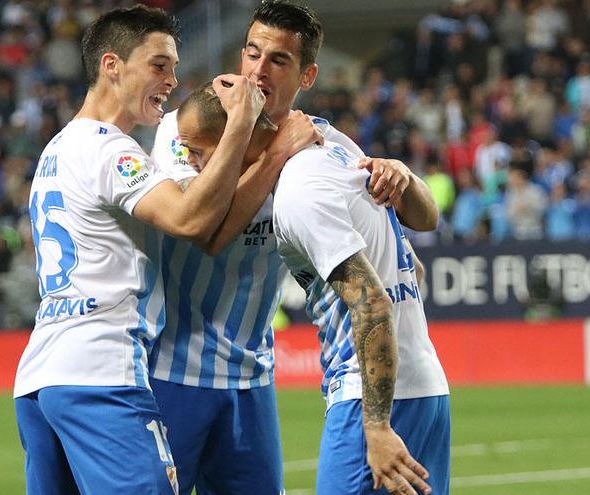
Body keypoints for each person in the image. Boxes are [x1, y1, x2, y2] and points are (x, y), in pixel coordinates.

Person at [11, 6, 317, 494]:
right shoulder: (113, 150)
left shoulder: (57, 148)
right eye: (159, 65)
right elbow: (191, 219)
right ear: (112, 65)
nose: (172, 79)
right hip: (103, 372)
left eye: (173, 67)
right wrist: (243, 129)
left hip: (41, 376)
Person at [149, 2, 434, 493]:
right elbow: (203, 231)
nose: (259, 70)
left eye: (278, 60)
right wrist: (277, 154)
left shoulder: (323, 144)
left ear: (307, 76)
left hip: (252, 378)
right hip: (177, 369)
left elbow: (422, 222)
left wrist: (402, 177)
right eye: (252, 53)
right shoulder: (188, 128)